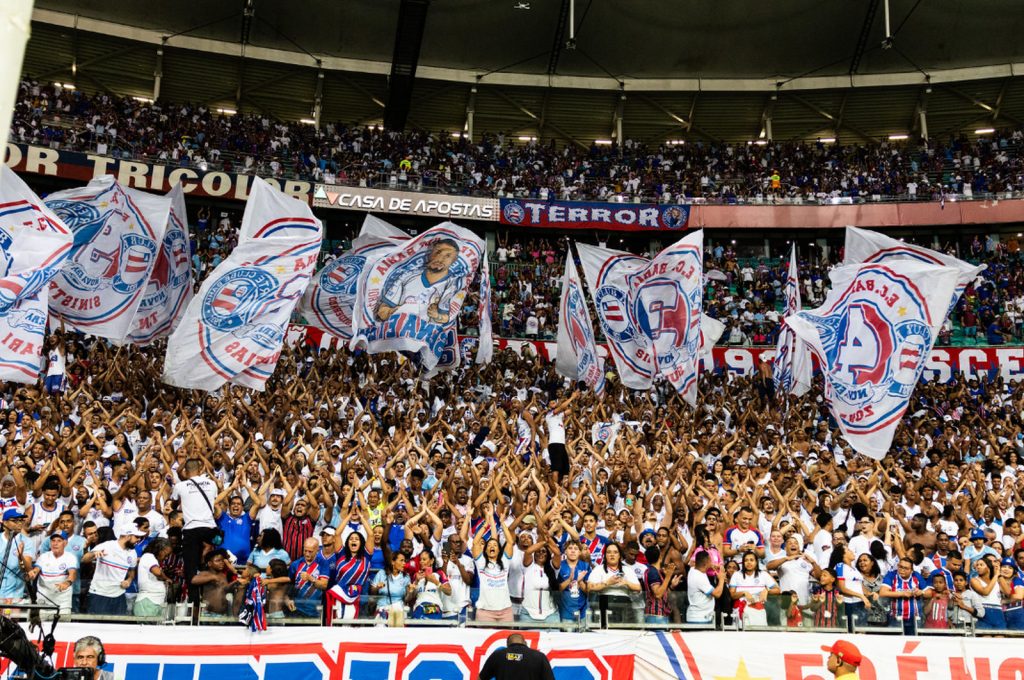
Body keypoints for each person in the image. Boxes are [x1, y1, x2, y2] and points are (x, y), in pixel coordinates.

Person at [170, 459, 219, 608]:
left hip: (191, 530)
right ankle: (213, 597)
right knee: (211, 561)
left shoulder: (180, 486)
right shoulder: (211, 483)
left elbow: (173, 504)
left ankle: (194, 605)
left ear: (184, 471)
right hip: (209, 530)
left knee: (190, 573)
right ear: (201, 468)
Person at [82, 527, 143, 615]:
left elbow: (131, 572)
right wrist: (93, 554)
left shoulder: (132, 553)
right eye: (136, 537)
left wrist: (128, 581)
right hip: (99, 594)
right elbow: (84, 559)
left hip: (119, 596)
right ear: (128, 536)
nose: (139, 539)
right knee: (96, 627)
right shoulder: (107, 545)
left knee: (117, 627)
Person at [478, 633, 555, 680]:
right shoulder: (539, 656)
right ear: (525, 643)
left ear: (507, 644)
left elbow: (481, 678)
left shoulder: (498, 655)